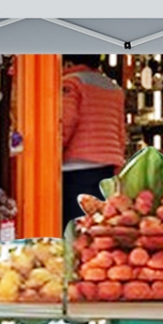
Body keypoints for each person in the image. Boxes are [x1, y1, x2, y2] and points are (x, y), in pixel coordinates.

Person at [60, 55, 127, 230]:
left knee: (74, 228)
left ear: (68, 61)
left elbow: (65, 123)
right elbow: (120, 130)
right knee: (99, 225)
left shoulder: (71, 83)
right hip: (107, 167)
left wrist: (52, 153)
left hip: (75, 168)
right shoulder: (113, 88)